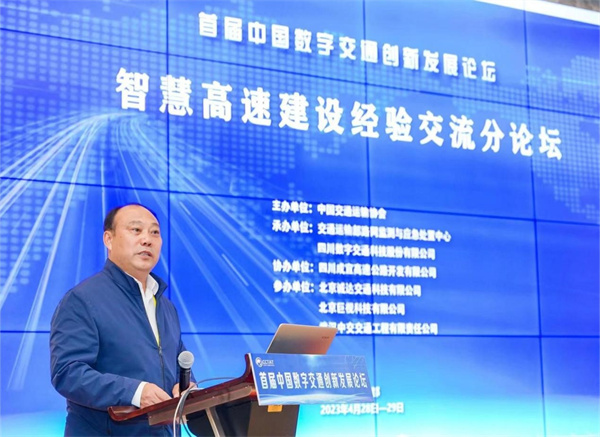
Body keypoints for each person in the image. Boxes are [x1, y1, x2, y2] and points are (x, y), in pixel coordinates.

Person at [50, 203, 193, 436]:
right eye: (136, 230)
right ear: (108, 239)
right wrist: (135, 392)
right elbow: (68, 373)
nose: (147, 240)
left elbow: (178, 362)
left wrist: (186, 388)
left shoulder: (165, 306)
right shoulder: (82, 299)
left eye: (154, 232)